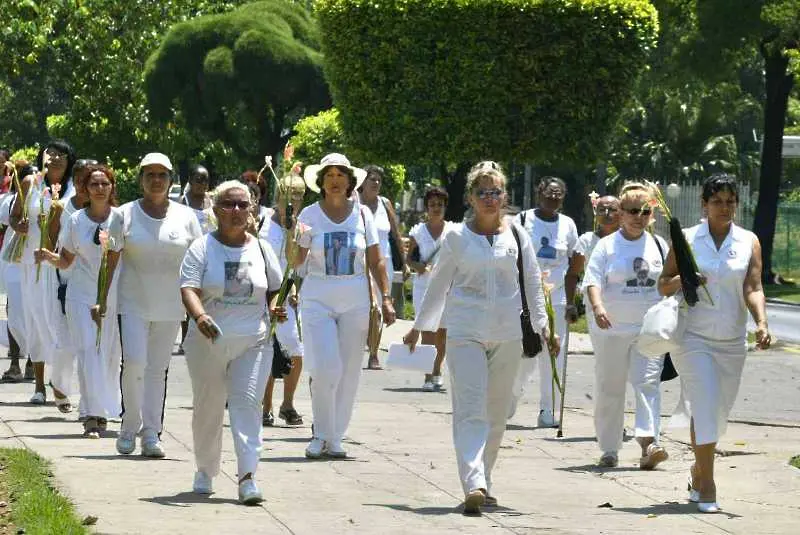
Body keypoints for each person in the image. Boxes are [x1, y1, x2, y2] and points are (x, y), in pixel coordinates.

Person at [403, 161, 551, 515]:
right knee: (470, 410)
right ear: (470, 197)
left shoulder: (517, 235)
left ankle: (485, 477)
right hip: (465, 331)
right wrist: (419, 325)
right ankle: (473, 483)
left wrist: (544, 326)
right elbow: (438, 285)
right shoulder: (456, 236)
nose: (490, 198)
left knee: (497, 412)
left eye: (496, 191)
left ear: (504, 196)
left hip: (507, 332)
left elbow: (531, 281)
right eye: (482, 192)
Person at [658, 174, 771, 513]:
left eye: (730, 201)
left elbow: (752, 287)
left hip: (732, 340)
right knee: (705, 403)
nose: (725, 207)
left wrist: (761, 322)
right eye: (717, 201)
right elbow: (663, 285)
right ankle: (707, 485)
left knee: (718, 413)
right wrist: (685, 278)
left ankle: (697, 468)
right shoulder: (687, 239)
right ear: (704, 205)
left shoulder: (748, 240)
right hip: (693, 337)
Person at [180, 180, 285, 505]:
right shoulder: (201, 247)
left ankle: (247, 477)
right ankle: (206, 469)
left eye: (243, 205)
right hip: (207, 342)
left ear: (252, 209)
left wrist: (275, 308)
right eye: (228, 204)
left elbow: (275, 288)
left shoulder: (263, 248)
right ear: (215, 210)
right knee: (209, 407)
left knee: (247, 405)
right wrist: (200, 317)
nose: (236, 211)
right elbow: (188, 288)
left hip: (253, 341)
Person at [291, 153, 396, 459]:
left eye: (341, 175)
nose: (335, 181)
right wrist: (293, 233)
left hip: (355, 296)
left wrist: (386, 297)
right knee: (325, 367)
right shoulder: (308, 215)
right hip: (317, 295)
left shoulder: (363, 216)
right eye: (329, 176)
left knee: (349, 370)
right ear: (321, 182)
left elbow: (377, 261)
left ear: (351, 181)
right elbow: (296, 262)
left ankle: (335, 437)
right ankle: (320, 433)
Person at [116, 153, 202, 458]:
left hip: (170, 305)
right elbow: (111, 260)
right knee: (135, 363)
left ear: (171, 181)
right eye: (149, 174)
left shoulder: (186, 217)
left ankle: (151, 433)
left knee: (157, 369)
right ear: (140, 180)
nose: (156, 180)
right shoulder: (124, 214)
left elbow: (198, 261)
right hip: (132, 302)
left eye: (162, 175)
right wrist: (102, 302)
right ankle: (129, 426)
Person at [583, 183, 669, 470]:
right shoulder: (606, 246)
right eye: (632, 211)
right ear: (620, 213)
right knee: (611, 387)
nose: (638, 217)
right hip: (612, 330)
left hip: (649, 330)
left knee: (647, 384)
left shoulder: (659, 245)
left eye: (645, 211)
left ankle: (648, 443)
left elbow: (669, 281)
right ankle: (609, 447)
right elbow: (593, 281)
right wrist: (598, 307)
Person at [35, 164, 123, 438]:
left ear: (111, 188)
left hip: (109, 296)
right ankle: (91, 415)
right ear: (85, 188)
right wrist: (47, 257)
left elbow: (117, 258)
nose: (99, 189)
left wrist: (104, 299)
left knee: (106, 354)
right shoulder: (75, 220)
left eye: (104, 184)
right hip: (79, 295)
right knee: (87, 351)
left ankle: (103, 408)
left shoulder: (120, 219)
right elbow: (66, 260)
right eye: (93, 184)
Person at [9, 141, 77, 407]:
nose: (56, 159)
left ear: (70, 160)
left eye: (61, 155)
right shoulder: (30, 183)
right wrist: (21, 225)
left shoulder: (76, 188)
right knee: (36, 319)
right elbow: (14, 217)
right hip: (32, 262)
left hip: (63, 263)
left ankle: (60, 382)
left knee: (59, 323)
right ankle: (39, 386)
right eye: (51, 154)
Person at [511, 176, 579, 427]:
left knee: (553, 355)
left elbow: (574, 264)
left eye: (558, 194)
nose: (553, 198)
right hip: (525, 298)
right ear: (539, 193)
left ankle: (547, 411)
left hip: (557, 297)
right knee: (524, 354)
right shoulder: (522, 220)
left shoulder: (569, 225)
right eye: (549, 193)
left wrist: (571, 302)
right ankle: (512, 395)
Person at [259, 174, 306, 427]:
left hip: (287, 292)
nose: (294, 200)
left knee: (295, 350)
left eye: (299, 195)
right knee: (267, 350)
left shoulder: (300, 227)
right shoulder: (263, 221)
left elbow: (296, 263)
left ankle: (287, 403)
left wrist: (291, 230)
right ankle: (264, 406)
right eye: (289, 193)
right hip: (262, 291)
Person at [358, 165, 405, 369]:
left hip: (383, 261)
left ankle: (374, 353)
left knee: (378, 307)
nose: (376, 183)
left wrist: (404, 263)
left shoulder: (385, 204)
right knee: (365, 307)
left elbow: (396, 235)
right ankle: (364, 342)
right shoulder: (354, 203)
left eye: (378, 180)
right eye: (372, 179)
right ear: (363, 183)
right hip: (362, 261)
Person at [406, 186, 452, 391]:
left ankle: (436, 371)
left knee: (442, 332)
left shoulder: (453, 231)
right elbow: (409, 259)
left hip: (447, 287)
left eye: (440, 205)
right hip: (423, 285)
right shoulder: (418, 231)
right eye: (432, 205)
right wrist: (419, 266)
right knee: (427, 331)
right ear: (426, 207)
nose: (436, 208)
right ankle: (427, 375)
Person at [573, 195, 620, 320]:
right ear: (595, 213)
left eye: (612, 210)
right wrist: (570, 304)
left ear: (622, 213)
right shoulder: (586, 240)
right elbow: (573, 274)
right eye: (601, 210)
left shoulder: (629, 240)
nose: (606, 213)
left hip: (624, 302)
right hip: (594, 305)